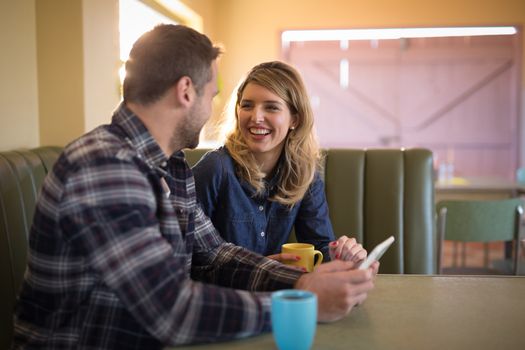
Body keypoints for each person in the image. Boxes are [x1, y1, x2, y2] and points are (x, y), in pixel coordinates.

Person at [12, 25, 378, 349]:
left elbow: (214, 255)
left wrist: (306, 282)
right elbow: (170, 310)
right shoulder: (105, 166)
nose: (214, 106)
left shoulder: (171, 167)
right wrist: (300, 305)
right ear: (187, 91)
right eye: (213, 92)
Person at [193, 61, 365, 265]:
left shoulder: (305, 175)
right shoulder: (215, 168)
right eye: (247, 105)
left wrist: (344, 256)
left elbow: (319, 246)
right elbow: (191, 256)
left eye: (271, 107)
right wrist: (260, 268)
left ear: (295, 120)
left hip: (276, 292)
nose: (256, 117)